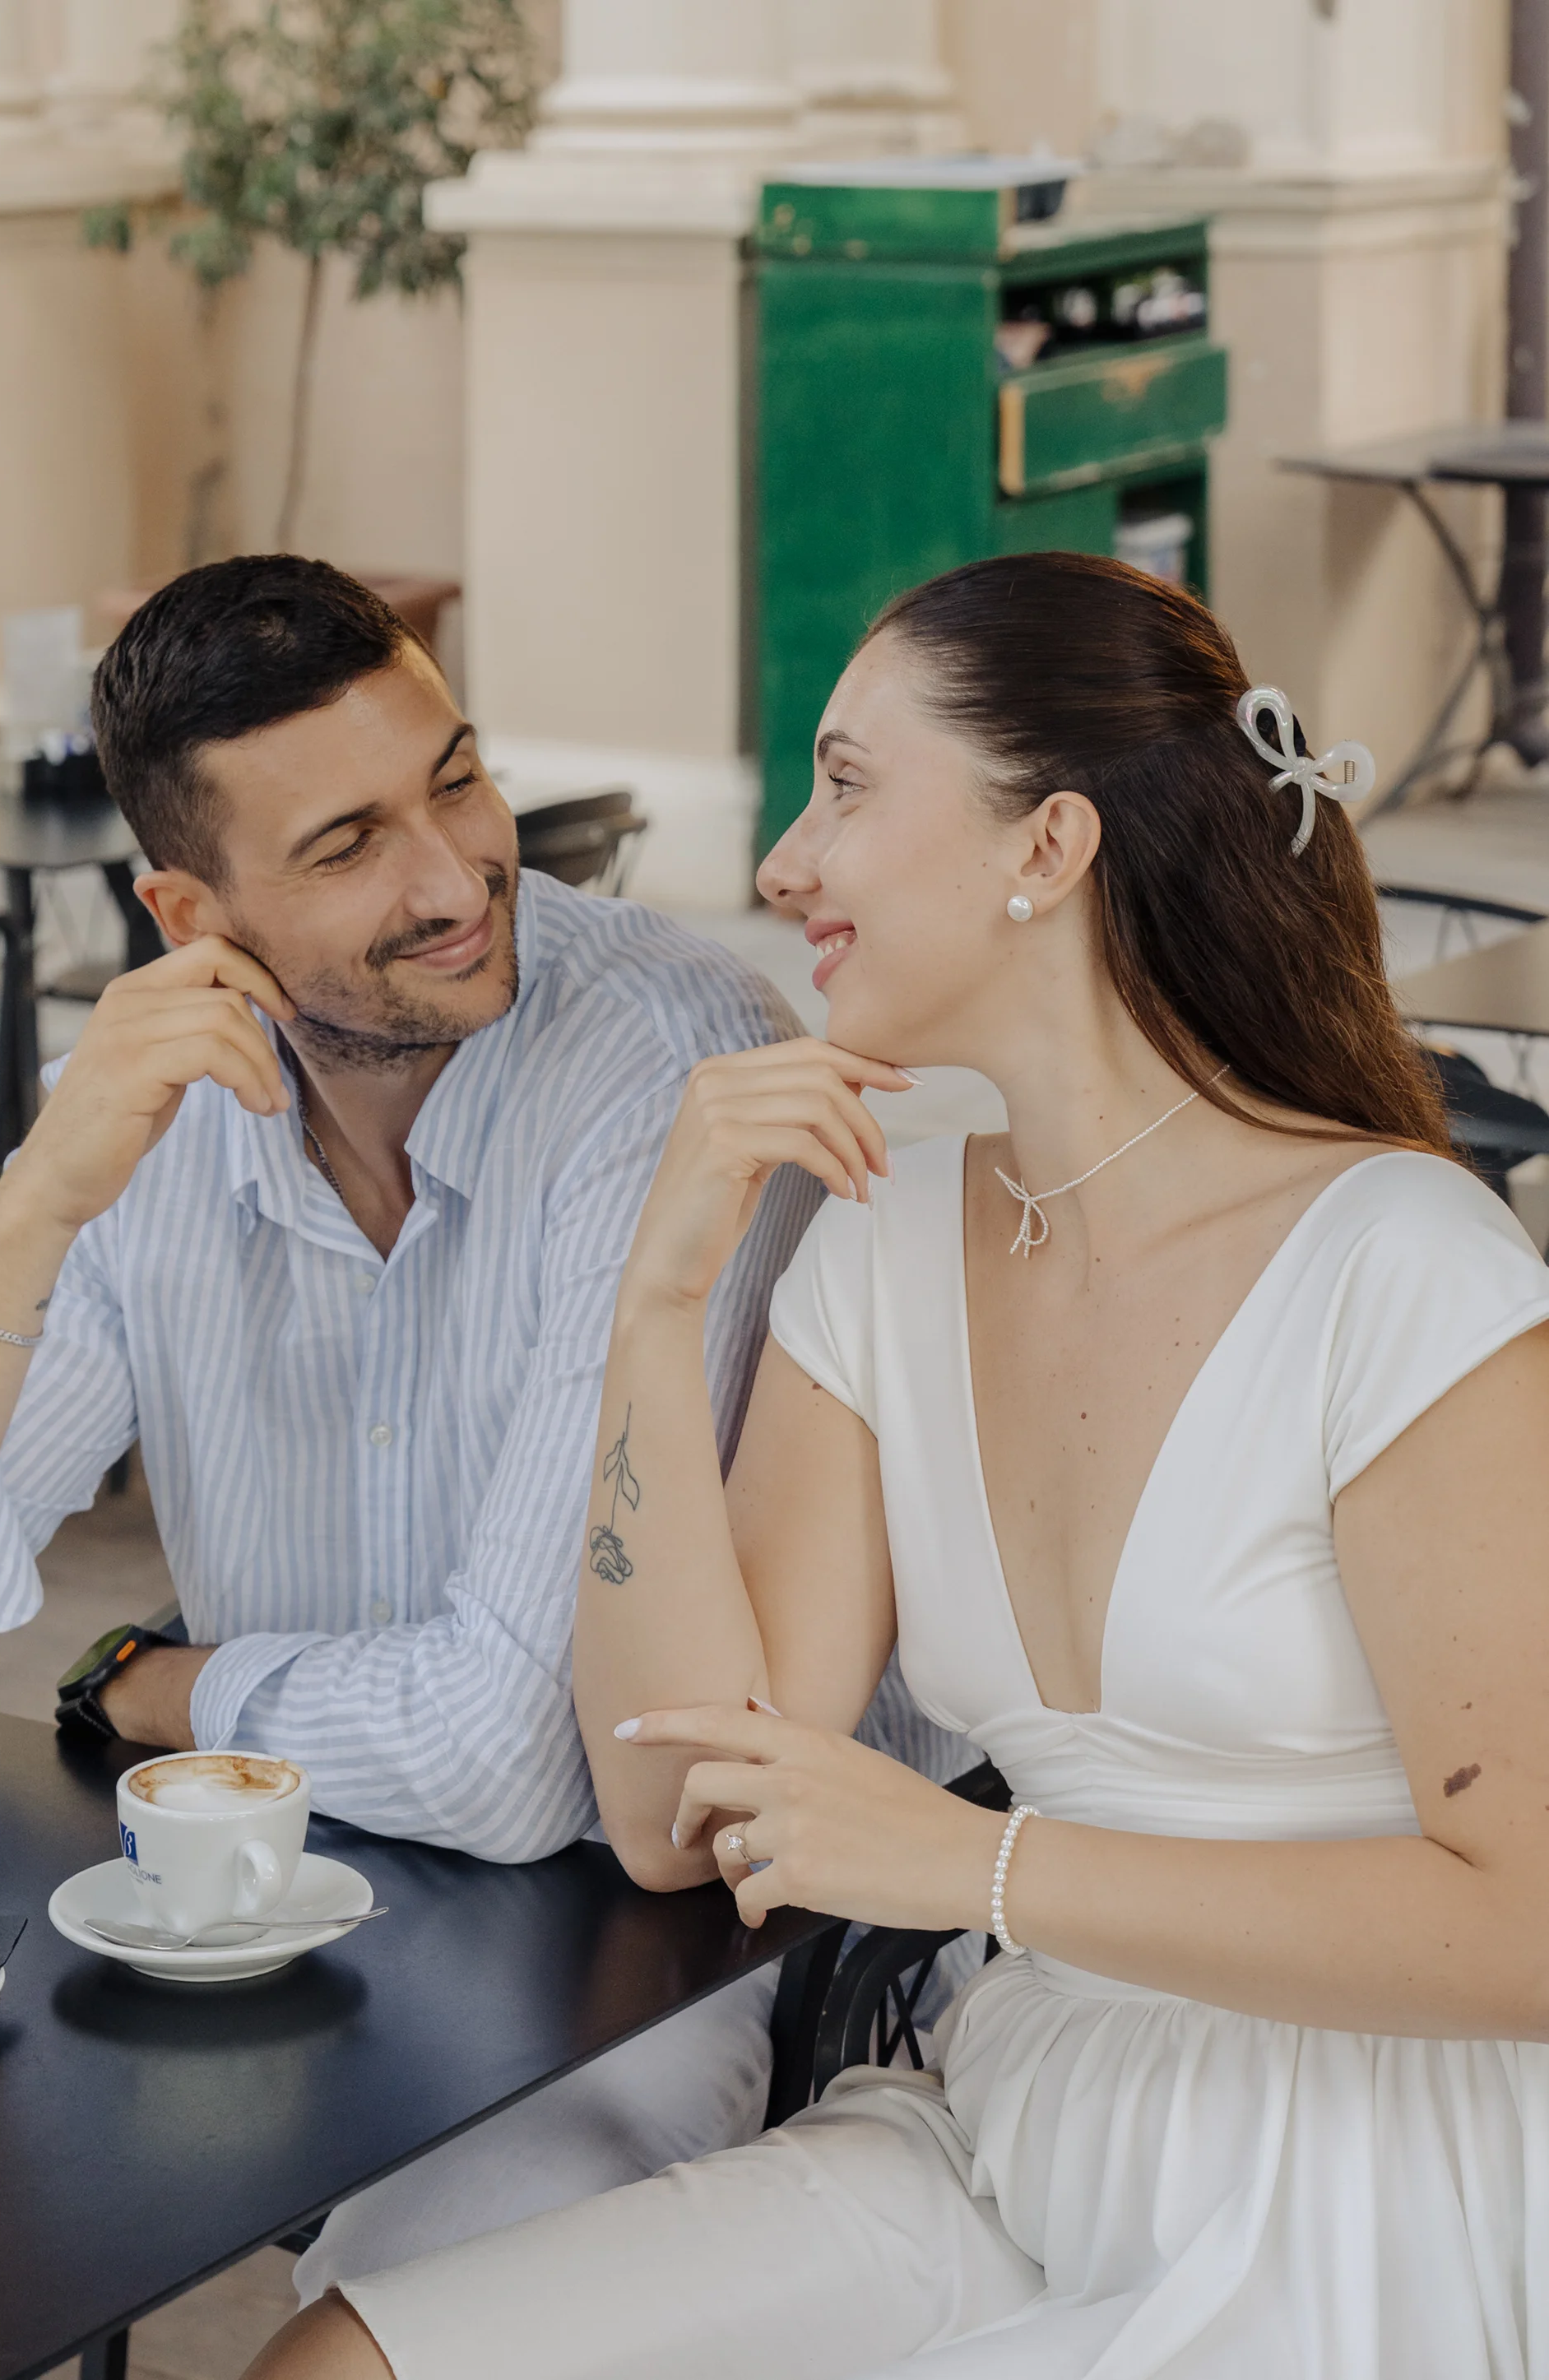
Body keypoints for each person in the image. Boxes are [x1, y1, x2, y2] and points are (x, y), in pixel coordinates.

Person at [250, 551, 1549, 2380]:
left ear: (1048, 847)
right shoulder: (882, 1230)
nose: (783, 864)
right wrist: (658, 1297)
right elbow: (674, 1811)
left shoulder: (1396, 1264)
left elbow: (1526, 1925)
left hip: (1358, 2182)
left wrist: (980, 1866)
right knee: (341, 2364)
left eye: (847, 788)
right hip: (1015, 2127)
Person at [0, 553, 865, 2293]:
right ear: (192, 918)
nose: (458, 875)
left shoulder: (666, 1065)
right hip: (245, 1896)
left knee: (399, 2297)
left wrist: (170, 1684)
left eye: (454, 778)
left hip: (634, 1952)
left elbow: (519, 1757)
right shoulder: (149, 1119)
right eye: (345, 846)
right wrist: (32, 1207)